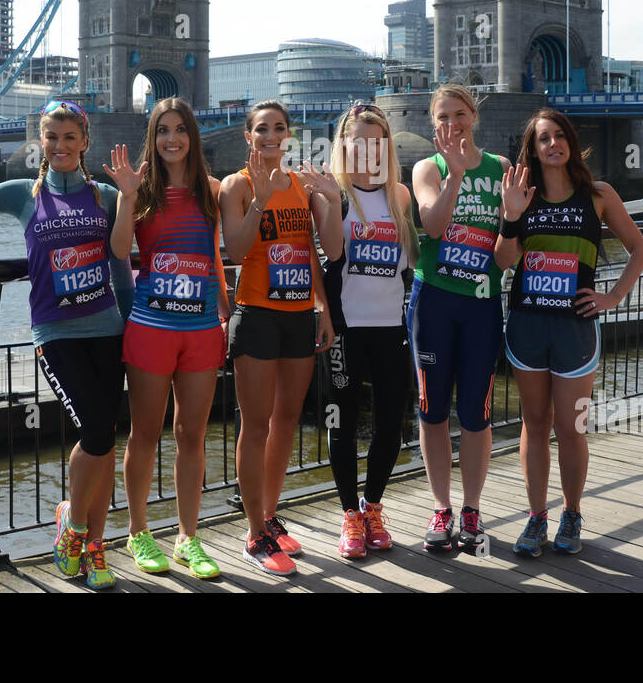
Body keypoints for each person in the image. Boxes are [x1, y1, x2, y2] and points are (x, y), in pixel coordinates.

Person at [0, 90, 132, 590]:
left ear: (85, 141)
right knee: (98, 434)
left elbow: (121, 271)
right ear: (42, 142)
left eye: (70, 137)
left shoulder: (106, 197)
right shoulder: (25, 194)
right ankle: (74, 526)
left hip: (108, 329)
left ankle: (95, 547)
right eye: (52, 137)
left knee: (106, 442)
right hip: (56, 332)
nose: (60, 145)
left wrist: (129, 328)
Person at [495, 109, 643, 555]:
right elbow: (504, 262)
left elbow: (639, 249)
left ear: (571, 141)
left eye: (560, 136)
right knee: (535, 424)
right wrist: (510, 215)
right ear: (534, 148)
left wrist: (611, 297)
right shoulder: (522, 196)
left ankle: (573, 513)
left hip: (576, 331)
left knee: (571, 426)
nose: (553, 144)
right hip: (528, 325)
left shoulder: (598, 195)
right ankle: (535, 518)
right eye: (544, 138)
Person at [105, 98, 230, 580]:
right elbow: (119, 250)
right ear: (152, 138)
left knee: (192, 436)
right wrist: (126, 197)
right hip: (151, 329)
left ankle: (187, 539)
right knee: (144, 434)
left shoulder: (213, 192)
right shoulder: (141, 191)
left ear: (192, 137)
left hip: (200, 331)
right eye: (162, 131)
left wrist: (226, 310)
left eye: (180, 130)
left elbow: (216, 258)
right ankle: (138, 532)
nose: (171, 139)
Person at [218, 100, 343, 574]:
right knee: (256, 423)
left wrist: (323, 309)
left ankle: (269, 516)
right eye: (261, 129)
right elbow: (236, 248)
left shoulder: (302, 185)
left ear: (288, 135)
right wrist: (263, 202)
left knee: (286, 419)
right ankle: (253, 533)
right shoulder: (237, 185)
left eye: (279, 128)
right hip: (256, 316)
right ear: (247, 137)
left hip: (299, 315)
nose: (271, 136)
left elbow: (325, 252)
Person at [409, 84, 510, 553]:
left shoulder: (502, 170)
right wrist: (455, 177)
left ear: (475, 116)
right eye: (443, 117)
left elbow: (510, 249)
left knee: (476, 413)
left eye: (460, 113)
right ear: (435, 127)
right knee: (432, 412)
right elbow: (432, 226)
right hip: (435, 303)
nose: (453, 123)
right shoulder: (428, 168)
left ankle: (471, 508)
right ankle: (441, 507)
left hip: (481, 305)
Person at [321, 104, 417, 558]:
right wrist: (322, 201)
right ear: (344, 145)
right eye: (357, 141)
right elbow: (333, 256)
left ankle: (373, 506)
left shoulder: (399, 195)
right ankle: (348, 517)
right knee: (340, 423)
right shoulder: (334, 194)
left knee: (390, 426)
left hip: (390, 327)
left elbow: (411, 263)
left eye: (375, 141)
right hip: (345, 329)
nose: (366, 149)